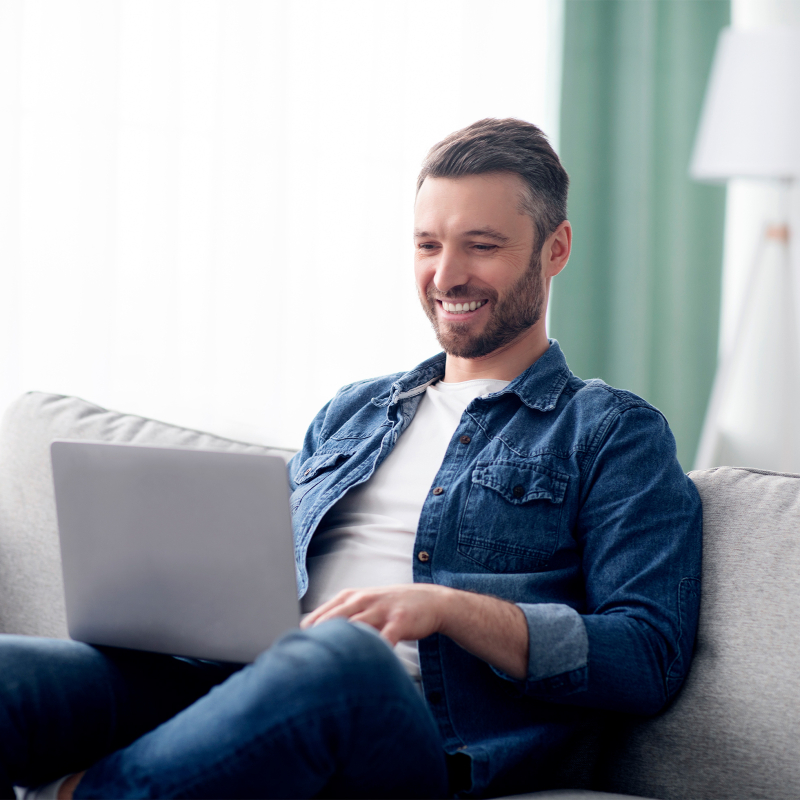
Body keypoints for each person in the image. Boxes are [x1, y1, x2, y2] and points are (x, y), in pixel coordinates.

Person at [3, 118, 701, 800]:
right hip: (246, 685)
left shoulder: (611, 432)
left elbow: (647, 656)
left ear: (556, 249)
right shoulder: (354, 410)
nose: (446, 274)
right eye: (428, 245)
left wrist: (445, 608)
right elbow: (254, 577)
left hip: (416, 735)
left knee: (342, 656)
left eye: (481, 246)